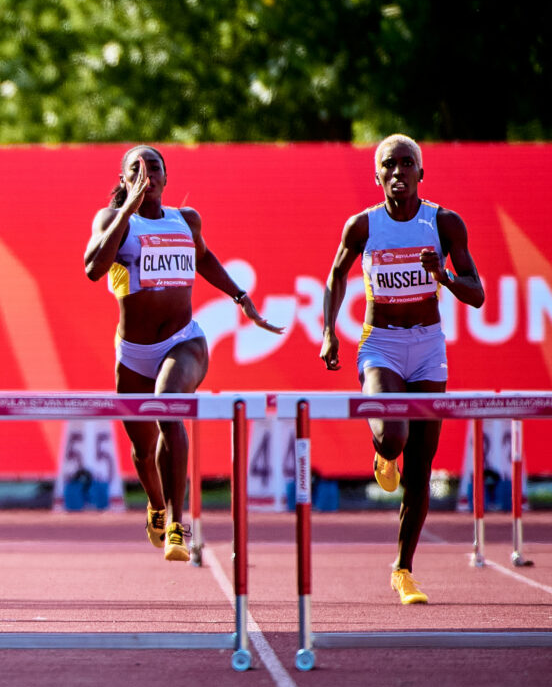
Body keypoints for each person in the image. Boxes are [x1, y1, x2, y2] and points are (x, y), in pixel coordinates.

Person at [84, 145, 282, 561]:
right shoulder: (113, 221)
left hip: (184, 341)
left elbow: (205, 259)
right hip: (134, 353)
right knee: (142, 450)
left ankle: (177, 522)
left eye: (154, 168)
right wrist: (126, 210)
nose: (147, 175)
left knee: (168, 406)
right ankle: (156, 505)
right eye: (136, 170)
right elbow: (93, 268)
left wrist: (240, 296)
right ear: (124, 181)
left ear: (166, 178)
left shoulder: (185, 220)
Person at [320, 134, 484, 605]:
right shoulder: (363, 226)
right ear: (377, 176)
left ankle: (403, 570)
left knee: (421, 468)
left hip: (429, 348)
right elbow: (336, 274)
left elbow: (478, 295)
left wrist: (444, 277)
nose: (397, 172)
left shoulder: (445, 223)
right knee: (394, 434)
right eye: (388, 165)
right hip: (381, 346)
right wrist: (329, 330)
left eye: (406, 164)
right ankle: (383, 451)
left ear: (420, 173)